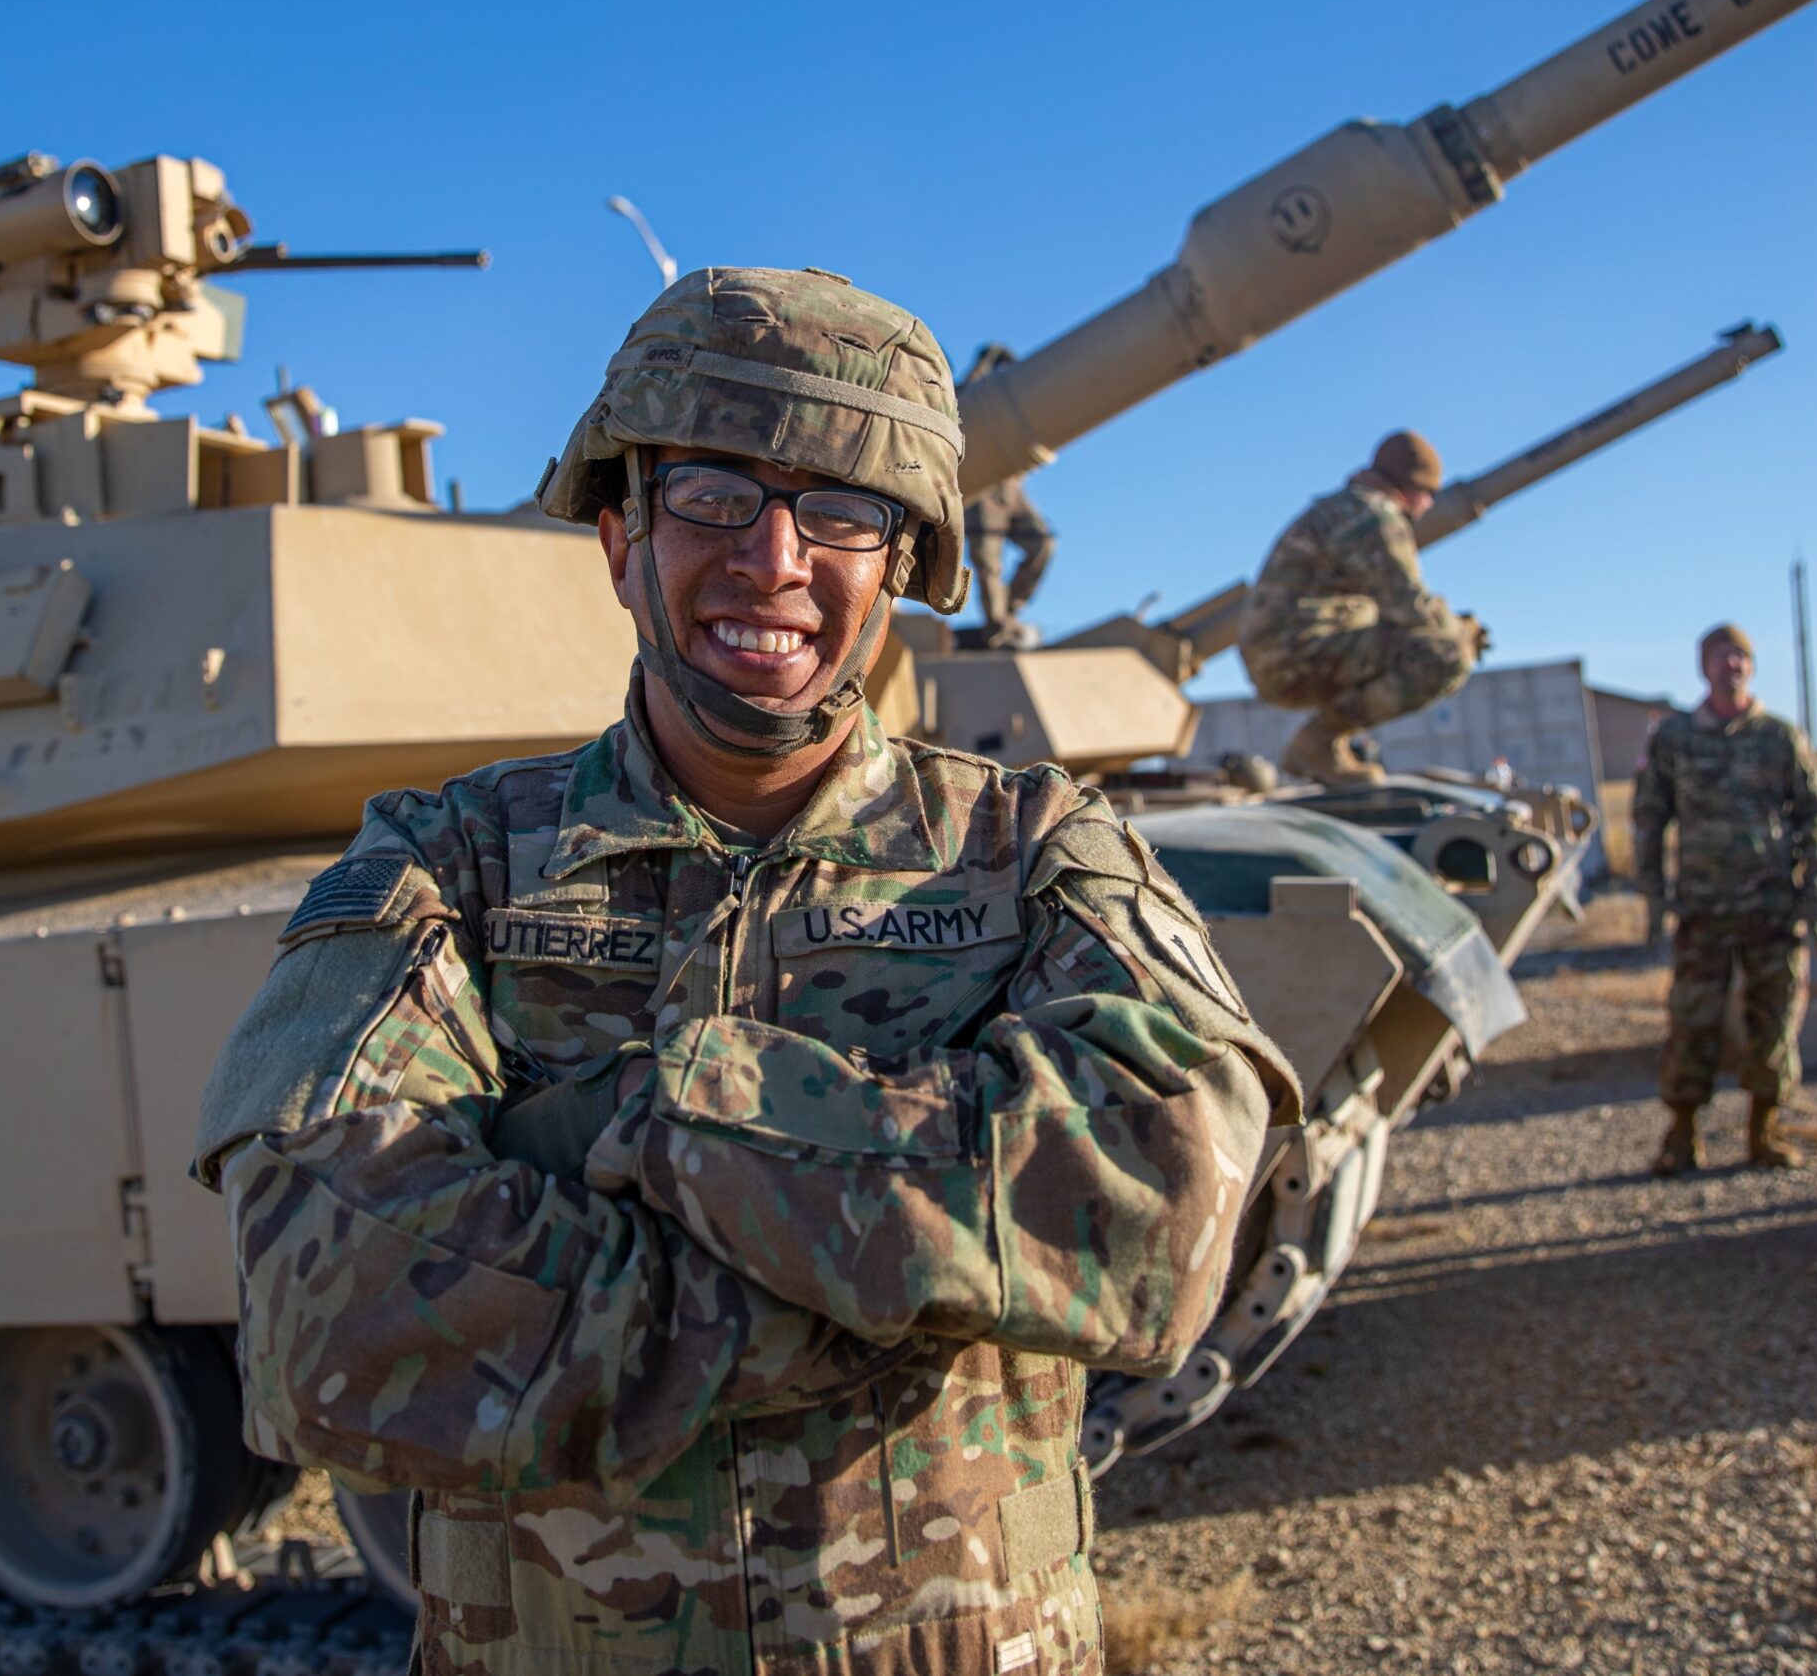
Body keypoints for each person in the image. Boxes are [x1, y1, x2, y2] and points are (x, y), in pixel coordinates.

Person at [193, 267, 1300, 1676]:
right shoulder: (450, 861)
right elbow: (326, 1304)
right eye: (715, 492)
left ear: (899, 562)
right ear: (621, 535)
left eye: (839, 508)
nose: (775, 558)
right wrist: (905, 1281)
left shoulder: (1034, 851)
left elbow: (1166, 1206)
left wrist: (652, 1119)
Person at [1632, 622, 1817, 1177]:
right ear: (1704, 667)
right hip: (1703, 909)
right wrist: (1654, 898)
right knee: (1692, 1020)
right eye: (1722, 657)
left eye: (1741, 656)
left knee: (1773, 1019)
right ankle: (1681, 1134)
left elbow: (1816, 819)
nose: (1733, 666)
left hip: (1771, 908)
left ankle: (1763, 1129)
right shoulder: (1675, 738)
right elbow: (1650, 818)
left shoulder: (1778, 737)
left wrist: (1816, 897)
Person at [1237, 429, 1487, 783]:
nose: (1430, 505)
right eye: (1429, 493)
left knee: (1432, 638)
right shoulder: (1373, 515)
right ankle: (1318, 741)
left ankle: (1325, 742)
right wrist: (1463, 631)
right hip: (1296, 654)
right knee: (1447, 652)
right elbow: (1409, 607)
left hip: (1286, 652)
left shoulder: (1345, 508)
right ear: (1411, 487)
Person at [960, 342, 1057, 647]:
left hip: (1011, 488)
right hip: (982, 489)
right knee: (989, 564)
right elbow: (960, 404)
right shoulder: (974, 392)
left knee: (1042, 544)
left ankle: (1010, 609)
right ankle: (997, 626)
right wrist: (983, 363)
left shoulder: (1011, 394)